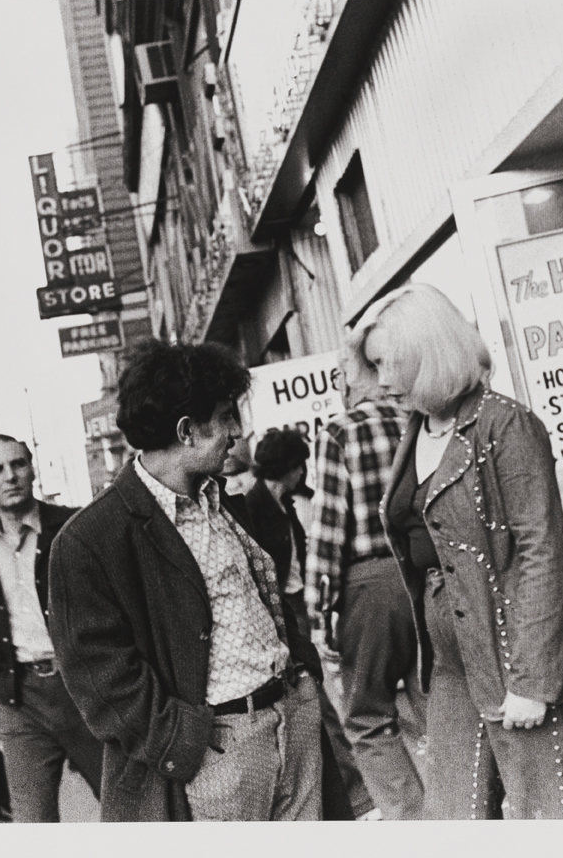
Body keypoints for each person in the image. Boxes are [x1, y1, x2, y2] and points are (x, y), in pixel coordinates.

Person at [49, 339, 324, 822]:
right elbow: (98, 675)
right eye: (225, 416)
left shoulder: (221, 503)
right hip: (220, 753)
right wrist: (184, 740)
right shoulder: (90, 540)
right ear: (187, 430)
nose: (237, 432)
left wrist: (302, 682)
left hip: (292, 721)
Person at [361, 283, 563, 819]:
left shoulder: (504, 424)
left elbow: (543, 552)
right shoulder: (418, 428)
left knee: (547, 811)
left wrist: (533, 683)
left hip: (510, 653)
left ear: (429, 355)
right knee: (454, 817)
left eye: (390, 364)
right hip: (452, 661)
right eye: (375, 366)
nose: (381, 381)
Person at [304, 344, 427, 820]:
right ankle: (460, 808)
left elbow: (329, 527)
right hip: (423, 576)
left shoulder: (340, 431)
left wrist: (319, 613)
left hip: (368, 585)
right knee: (433, 705)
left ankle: (412, 819)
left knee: (367, 715)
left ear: (349, 379)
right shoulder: (417, 421)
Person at [0, 434, 100, 823]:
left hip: (83, 690)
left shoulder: (75, 528)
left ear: (32, 468)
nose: (10, 476)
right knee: (32, 823)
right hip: (20, 699)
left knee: (128, 808)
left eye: (18, 464)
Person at [244, 429, 375, 821]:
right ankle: (355, 794)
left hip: (297, 607)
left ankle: (354, 792)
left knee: (324, 700)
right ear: (294, 467)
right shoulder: (256, 509)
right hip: (286, 616)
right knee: (319, 702)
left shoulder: (281, 504)